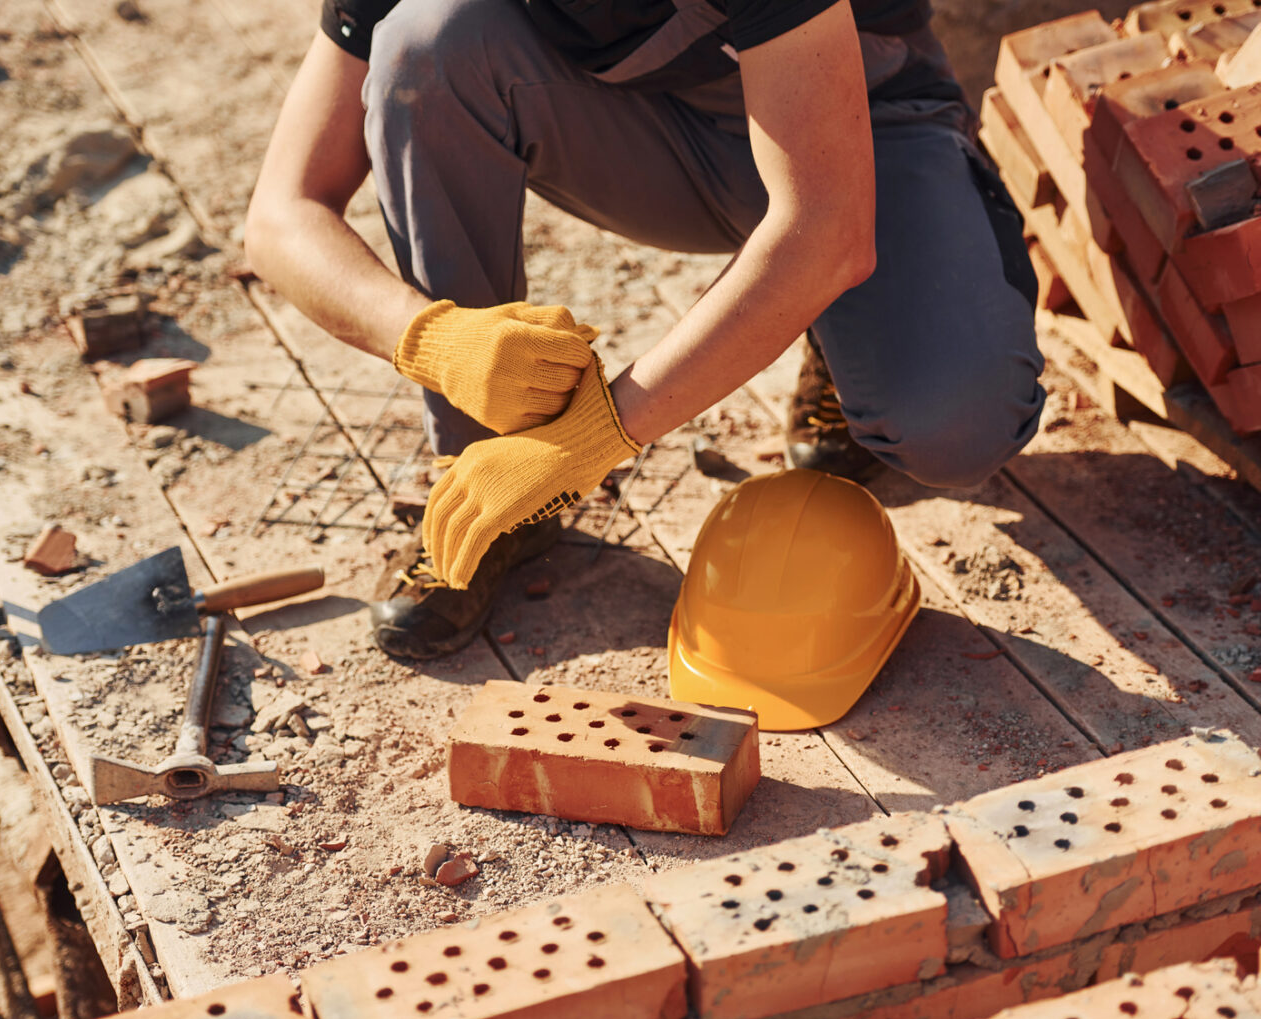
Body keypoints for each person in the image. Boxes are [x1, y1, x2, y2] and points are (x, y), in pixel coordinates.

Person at [245, 0, 1045, 661]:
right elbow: (282, 215)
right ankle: (483, 488)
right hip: (653, 131)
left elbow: (827, 221)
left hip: (855, 131)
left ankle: (840, 306)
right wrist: (431, 336)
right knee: (425, 49)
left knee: (956, 424)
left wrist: (595, 432)